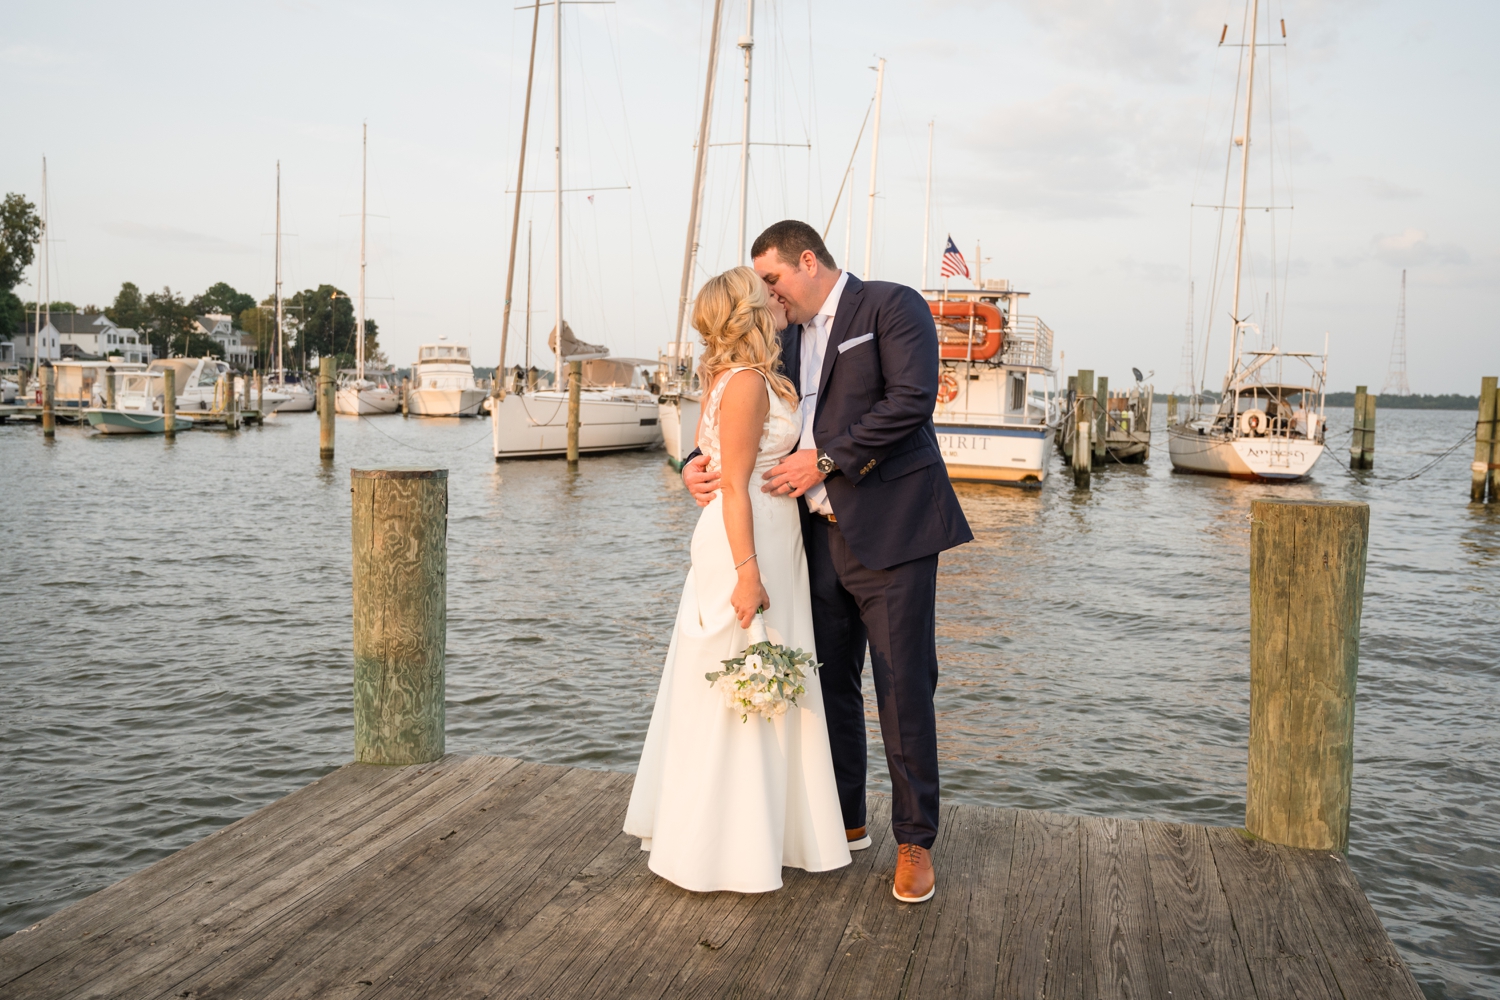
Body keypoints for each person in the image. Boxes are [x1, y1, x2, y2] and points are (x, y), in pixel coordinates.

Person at [682, 220, 972, 904]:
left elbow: (912, 401)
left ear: (807, 261)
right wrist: (693, 465)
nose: (769, 295)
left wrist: (829, 458)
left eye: (774, 280)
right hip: (807, 540)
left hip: (892, 534)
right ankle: (843, 819)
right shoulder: (776, 334)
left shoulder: (890, 306)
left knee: (902, 688)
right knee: (826, 685)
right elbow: (734, 414)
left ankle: (915, 842)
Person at [623, 266, 851, 893]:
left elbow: (714, 462)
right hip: (747, 542)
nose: (777, 299)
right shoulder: (746, 382)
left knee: (757, 675)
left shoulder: (735, 378)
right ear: (749, 312)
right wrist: (748, 575)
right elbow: (733, 487)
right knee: (742, 674)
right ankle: (726, 841)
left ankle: (754, 831)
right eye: (765, 294)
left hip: (770, 536)